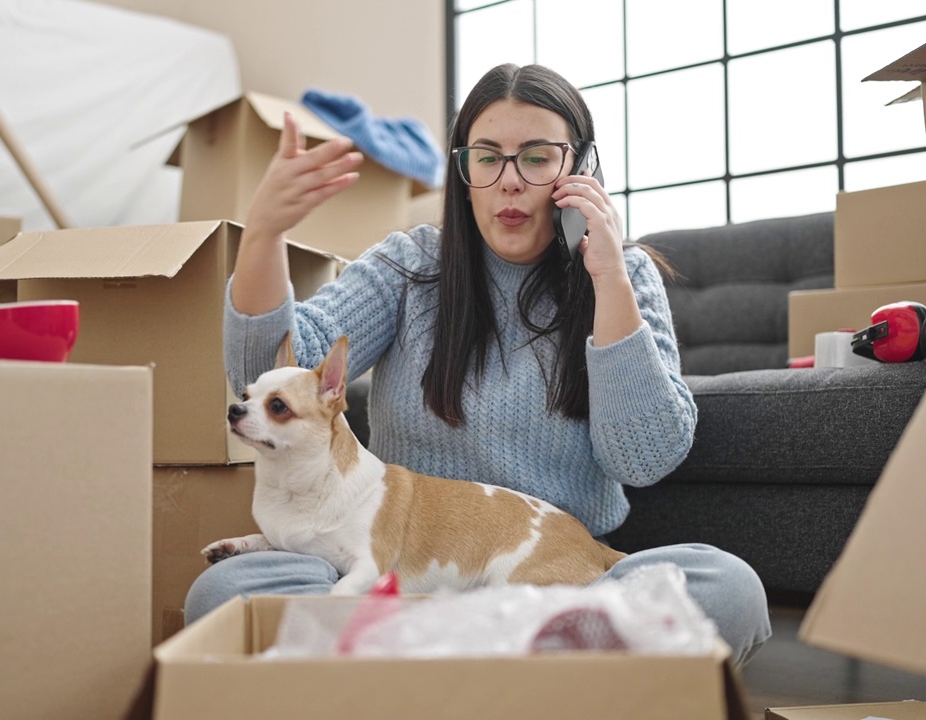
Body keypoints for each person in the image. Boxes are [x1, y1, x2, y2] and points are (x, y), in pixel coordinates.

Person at [186, 63, 772, 667]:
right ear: (463, 173)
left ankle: (428, 674)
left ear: (582, 170)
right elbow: (269, 372)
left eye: (537, 157)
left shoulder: (626, 279)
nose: (509, 182)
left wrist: (608, 281)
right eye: (487, 158)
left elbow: (644, 457)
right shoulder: (410, 266)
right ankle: (511, 676)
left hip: (556, 582)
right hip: (396, 578)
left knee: (728, 589)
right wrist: (262, 234)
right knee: (223, 594)